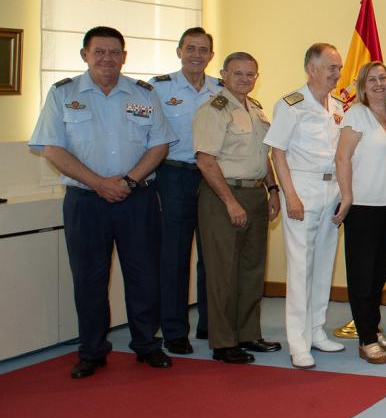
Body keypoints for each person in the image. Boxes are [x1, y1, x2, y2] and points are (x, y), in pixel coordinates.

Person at [29, 25, 175, 378]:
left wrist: (128, 181)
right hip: (85, 201)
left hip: (136, 198)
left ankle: (147, 345)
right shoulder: (63, 94)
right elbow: (52, 148)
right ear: (85, 55)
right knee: (89, 278)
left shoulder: (144, 94)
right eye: (99, 52)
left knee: (144, 275)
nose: (107, 58)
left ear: (124, 56)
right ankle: (92, 351)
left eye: (114, 52)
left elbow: (159, 145)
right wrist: (98, 183)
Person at [191, 51, 282, 364]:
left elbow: (263, 156)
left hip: (255, 194)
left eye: (250, 74)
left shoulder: (255, 109)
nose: (245, 78)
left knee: (252, 270)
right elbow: (205, 160)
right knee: (223, 272)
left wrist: (273, 189)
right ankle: (223, 342)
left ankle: (248, 333)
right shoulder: (214, 110)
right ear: (224, 75)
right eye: (238, 73)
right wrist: (230, 202)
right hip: (223, 196)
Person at [265, 43, 347, 369]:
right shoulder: (291, 104)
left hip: (332, 188)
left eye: (339, 68)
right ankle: (298, 342)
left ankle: (316, 330)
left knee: (324, 262)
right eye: (331, 68)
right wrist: (291, 195)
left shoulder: (338, 106)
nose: (337, 74)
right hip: (302, 187)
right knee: (301, 267)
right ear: (312, 69)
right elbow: (277, 153)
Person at [150, 26, 222, 352]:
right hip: (174, 175)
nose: (196, 55)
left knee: (212, 256)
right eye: (190, 48)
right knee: (174, 257)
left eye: (203, 50)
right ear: (179, 51)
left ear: (211, 55)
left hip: (212, 177)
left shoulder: (221, 90)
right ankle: (175, 331)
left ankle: (210, 325)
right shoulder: (158, 88)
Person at [333, 62, 386, 364]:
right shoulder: (356, 115)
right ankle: (365, 339)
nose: (379, 84)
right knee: (362, 275)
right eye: (372, 80)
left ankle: (373, 327)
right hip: (364, 206)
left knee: (379, 274)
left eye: (383, 78)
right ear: (363, 86)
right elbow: (342, 158)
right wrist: (347, 196)